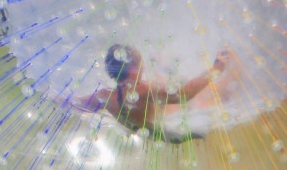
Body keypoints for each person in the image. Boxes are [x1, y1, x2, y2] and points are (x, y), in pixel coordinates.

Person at [68, 44, 233, 144]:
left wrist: (54, 96)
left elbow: (75, 104)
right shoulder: (143, 90)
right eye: (140, 64)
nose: (143, 68)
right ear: (133, 67)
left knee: (163, 83)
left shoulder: (104, 97)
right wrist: (217, 68)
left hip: (147, 134)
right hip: (171, 134)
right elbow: (185, 94)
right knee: (217, 98)